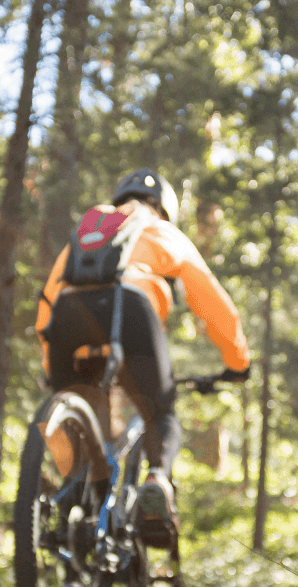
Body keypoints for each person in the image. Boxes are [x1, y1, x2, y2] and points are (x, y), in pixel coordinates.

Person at [36, 169, 250, 542]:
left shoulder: (92, 227)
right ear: (164, 207)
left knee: (78, 417)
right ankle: (156, 480)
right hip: (132, 311)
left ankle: (73, 502)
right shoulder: (159, 227)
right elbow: (209, 297)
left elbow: (50, 297)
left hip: (70, 317)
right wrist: (237, 362)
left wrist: (50, 364)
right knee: (160, 412)